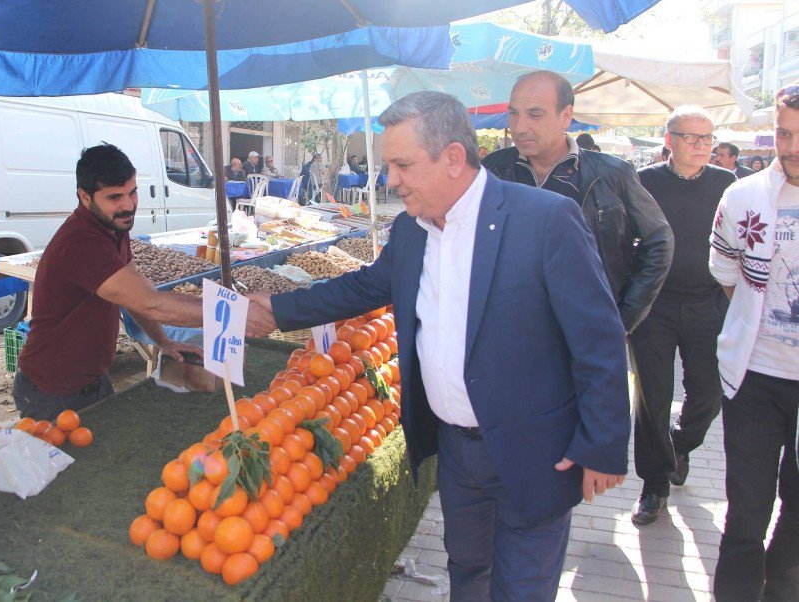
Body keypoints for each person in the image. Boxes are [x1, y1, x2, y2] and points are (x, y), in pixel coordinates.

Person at [253, 92, 631, 600]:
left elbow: (599, 340)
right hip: (458, 452)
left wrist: (603, 446)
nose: (391, 180)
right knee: (467, 572)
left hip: (534, 450)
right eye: (390, 165)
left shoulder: (545, 219)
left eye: (402, 164)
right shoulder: (411, 230)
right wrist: (273, 311)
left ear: (453, 157)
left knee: (522, 587)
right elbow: (362, 288)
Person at [14, 143, 276, 419]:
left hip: (92, 379)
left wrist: (163, 341)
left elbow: (136, 295)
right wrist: (233, 313)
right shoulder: (81, 243)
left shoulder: (112, 227)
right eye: (115, 197)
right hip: (50, 390)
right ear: (85, 196)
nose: (128, 206)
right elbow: (153, 304)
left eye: (132, 192)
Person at [484, 70, 673, 334]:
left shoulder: (612, 174)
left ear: (566, 116)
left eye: (534, 115)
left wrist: (623, 317)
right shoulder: (492, 171)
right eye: (514, 113)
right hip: (509, 330)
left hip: (586, 330)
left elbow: (659, 240)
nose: (519, 126)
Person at [710, 85, 799, 600]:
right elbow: (726, 274)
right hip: (755, 378)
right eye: (784, 133)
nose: (790, 147)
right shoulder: (743, 197)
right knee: (746, 510)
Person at [628, 107, 737, 525]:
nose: (701, 146)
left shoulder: (728, 184)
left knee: (709, 394)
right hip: (653, 308)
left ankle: (680, 443)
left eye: (707, 138)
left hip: (709, 305)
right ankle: (653, 483)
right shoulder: (644, 181)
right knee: (652, 398)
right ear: (668, 139)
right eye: (691, 137)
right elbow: (625, 239)